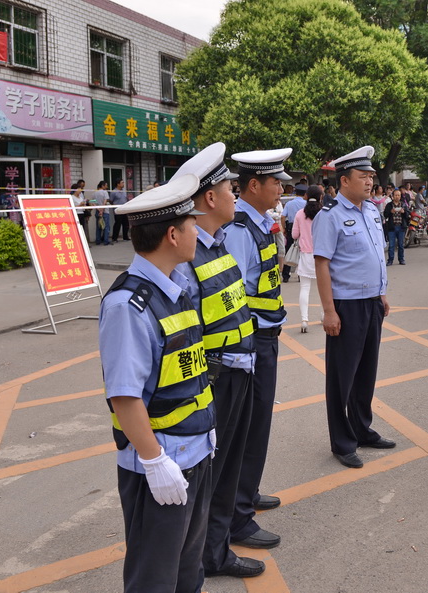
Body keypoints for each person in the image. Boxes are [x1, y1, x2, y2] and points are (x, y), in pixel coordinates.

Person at [99, 174, 214, 593]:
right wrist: (153, 462)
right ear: (172, 235)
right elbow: (124, 396)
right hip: (162, 464)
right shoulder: (128, 306)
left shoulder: (175, 287)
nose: (197, 232)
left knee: (187, 572)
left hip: (195, 450)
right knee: (154, 579)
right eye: (192, 225)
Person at [170, 143, 267, 581]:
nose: (235, 194)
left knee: (226, 468)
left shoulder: (220, 243)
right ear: (210, 197)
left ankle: (216, 549)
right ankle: (203, 555)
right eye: (230, 188)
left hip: (239, 368)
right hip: (215, 377)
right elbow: (182, 330)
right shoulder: (188, 258)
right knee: (210, 471)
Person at [223, 147, 291, 550]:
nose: (281, 188)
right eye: (275, 182)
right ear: (253, 185)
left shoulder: (259, 223)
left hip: (265, 336)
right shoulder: (239, 230)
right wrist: (245, 345)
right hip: (250, 341)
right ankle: (237, 517)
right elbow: (231, 295)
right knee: (246, 427)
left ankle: (245, 493)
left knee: (256, 423)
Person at [313, 145, 394, 469]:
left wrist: (382, 293)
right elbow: (322, 263)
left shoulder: (371, 210)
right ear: (344, 180)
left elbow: (376, 254)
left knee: (366, 372)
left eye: (371, 176)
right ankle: (343, 442)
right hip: (346, 305)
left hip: (372, 302)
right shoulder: (329, 215)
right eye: (363, 176)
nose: (370, 181)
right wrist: (329, 311)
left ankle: (362, 428)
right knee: (342, 377)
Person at [292, 186, 323, 332]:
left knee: (305, 288)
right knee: (323, 287)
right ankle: (324, 314)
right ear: (320, 197)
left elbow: (294, 235)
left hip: (305, 254)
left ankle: (304, 320)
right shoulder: (324, 213)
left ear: (306, 196)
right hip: (322, 255)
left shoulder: (300, 214)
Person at [280, 183, 307, 282]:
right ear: (305, 194)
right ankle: (301, 274)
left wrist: (284, 228)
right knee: (302, 251)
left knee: (289, 250)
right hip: (303, 229)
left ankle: (286, 275)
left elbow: (283, 216)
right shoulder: (306, 204)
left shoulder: (289, 203)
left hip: (291, 228)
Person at [383, 189, 409, 266]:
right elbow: (385, 214)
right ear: (393, 196)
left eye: (398, 195)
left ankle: (401, 259)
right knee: (391, 245)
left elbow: (407, 215)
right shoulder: (389, 205)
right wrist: (390, 212)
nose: (397, 197)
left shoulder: (403, 204)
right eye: (396, 195)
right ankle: (390, 260)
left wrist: (404, 212)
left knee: (401, 245)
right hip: (392, 227)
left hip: (401, 227)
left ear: (400, 196)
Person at [94, 181, 111, 245]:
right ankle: (106, 241)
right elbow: (105, 202)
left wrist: (98, 209)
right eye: (106, 185)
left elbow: (93, 202)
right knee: (106, 227)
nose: (107, 187)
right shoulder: (105, 192)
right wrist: (102, 210)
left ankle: (98, 240)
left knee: (98, 227)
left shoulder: (94, 193)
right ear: (102, 186)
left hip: (97, 211)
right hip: (105, 211)